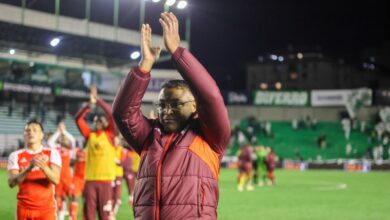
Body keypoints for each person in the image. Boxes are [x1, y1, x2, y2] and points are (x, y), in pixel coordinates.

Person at [112, 12, 230, 220]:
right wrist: (145, 65)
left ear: (194, 105)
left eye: (176, 104)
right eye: (162, 105)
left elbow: (211, 98)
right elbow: (122, 113)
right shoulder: (148, 136)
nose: (167, 111)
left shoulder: (210, 137)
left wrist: (177, 53)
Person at [75, 87, 116, 220]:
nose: (98, 123)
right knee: (89, 215)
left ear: (105, 123)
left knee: (105, 215)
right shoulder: (89, 135)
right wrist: (88, 105)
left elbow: (111, 114)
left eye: (100, 121)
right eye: (96, 121)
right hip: (90, 180)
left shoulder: (110, 135)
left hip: (105, 181)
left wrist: (98, 100)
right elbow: (78, 119)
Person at [7, 119, 61, 220]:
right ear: (24, 135)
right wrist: (29, 168)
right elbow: (11, 183)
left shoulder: (52, 153)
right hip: (24, 209)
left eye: (35, 130)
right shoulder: (15, 156)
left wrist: (44, 166)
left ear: (41, 135)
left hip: (46, 210)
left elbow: (56, 180)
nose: (30, 132)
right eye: (28, 130)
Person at [47, 122, 76, 220]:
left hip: (68, 177)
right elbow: (50, 142)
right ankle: (60, 215)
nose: (65, 139)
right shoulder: (56, 149)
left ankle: (72, 217)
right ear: (59, 140)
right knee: (57, 197)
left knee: (72, 196)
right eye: (62, 138)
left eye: (65, 138)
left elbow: (72, 140)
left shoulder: (70, 150)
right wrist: (59, 132)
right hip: (58, 176)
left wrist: (64, 131)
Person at [69, 143, 86, 220]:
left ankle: (85, 217)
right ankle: (73, 218)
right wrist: (76, 158)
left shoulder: (91, 152)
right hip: (77, 178)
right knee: (74, 197)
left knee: (86, 199)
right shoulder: (76, 152)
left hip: (87, 178)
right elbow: (71, 163)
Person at [112, 136, 126, 218]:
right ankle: (111, 213)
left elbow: (122, 162)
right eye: (114, 140)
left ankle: (114, 213)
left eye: (116, 140)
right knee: (111, 195)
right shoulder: (111, 148)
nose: (115, 142)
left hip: (118, 174)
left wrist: (115, 160)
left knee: (117, 195)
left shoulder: (121, 150)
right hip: (110, 174)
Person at [122, 143, 140, 207]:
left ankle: (134, 199)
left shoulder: (136, 152)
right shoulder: (130, 152)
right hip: (133, 170)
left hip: (138, 170)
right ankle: (132, 199)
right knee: (131, 186)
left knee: (137, 185)